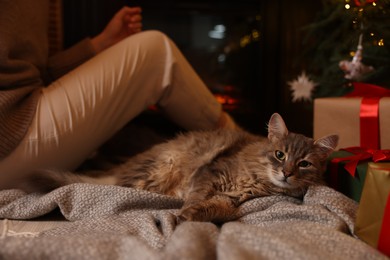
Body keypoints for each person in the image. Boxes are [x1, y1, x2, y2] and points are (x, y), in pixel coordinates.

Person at [0, 0, 237, 185]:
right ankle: (245, 148)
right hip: (7, 138)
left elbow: (25, 71)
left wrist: (98, 46)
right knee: (157, 54)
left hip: (14, 124)